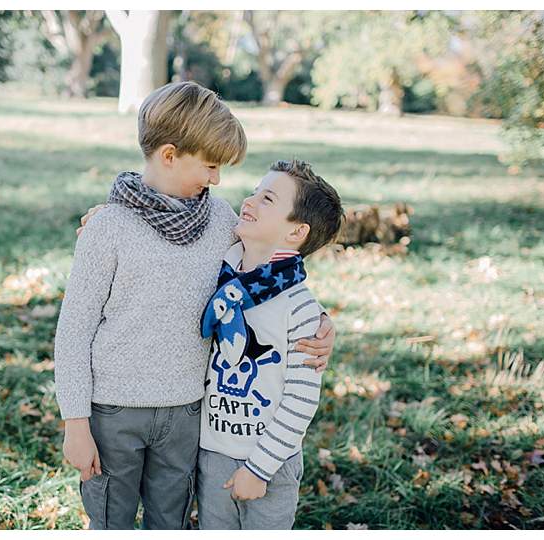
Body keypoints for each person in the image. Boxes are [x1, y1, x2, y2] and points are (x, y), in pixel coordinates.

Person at [54, 81, 336, 530]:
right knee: (110, 519)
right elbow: (74, 331)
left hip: (188, 414)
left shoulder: (222, 220)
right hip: (113, 413)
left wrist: (319, 324)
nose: (217, 179)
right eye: (209, 166)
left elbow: (270, 272)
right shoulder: (108, 228)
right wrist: (76, 422)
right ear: (169, 155)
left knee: (172, 520)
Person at [197, 159, 343, 529]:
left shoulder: (301, 310)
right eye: (255, 191)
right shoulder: (221, 274)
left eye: (268, 199)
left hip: (270, 462)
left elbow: (301, 399)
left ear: (296, 232)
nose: (249, 200)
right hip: (212, 451)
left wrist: (260, 468)